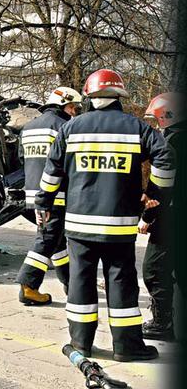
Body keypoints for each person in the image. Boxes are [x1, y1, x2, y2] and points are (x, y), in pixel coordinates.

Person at [35, 69, 173, 362]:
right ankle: (126, 347)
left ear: (89, 96)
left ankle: (81, 344)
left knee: (81, 282)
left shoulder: (71, 128)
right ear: (119, 95)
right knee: (121, 282)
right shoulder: (136, 128)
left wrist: (44, 203)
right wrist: (155, 194)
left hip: (78, 224)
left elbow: (51, 173)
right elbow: (166, 158)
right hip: (119, 225)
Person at [16, 87, 82, 305]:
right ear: (65, 105)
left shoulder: (28, 127)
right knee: (46, 240)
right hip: (56, 195)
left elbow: (19, 160)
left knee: (58, 241)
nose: (75, 112)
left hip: (32, 196)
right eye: (74, 107)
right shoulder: (65, 127)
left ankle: (71, 284)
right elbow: (71, 165)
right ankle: (28, 285)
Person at [138, 92, 183, 341]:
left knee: (154, 269)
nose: (155, 126)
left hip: (170, 216)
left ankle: (162, 324)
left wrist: (147, 216)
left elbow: (161, 185)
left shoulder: (172, 143)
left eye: (156, 120)